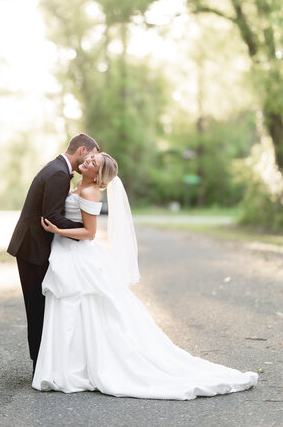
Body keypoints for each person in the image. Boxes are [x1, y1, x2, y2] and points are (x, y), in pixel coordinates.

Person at [33, 152, 258, 399]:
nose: (87, 161)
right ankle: (67, 365)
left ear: (97, 175)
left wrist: (58, 230)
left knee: (85, 307)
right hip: (66, 254)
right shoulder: (78, 185)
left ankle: (77, 368)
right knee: (70, 309)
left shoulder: (90, 192)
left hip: (78, 254)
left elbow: (90, 232)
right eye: (90, 158)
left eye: (93, 163)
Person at [7, 133, 100, 373]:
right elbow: (52, 217)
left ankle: (46, 362)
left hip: (33, 245)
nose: (90, 162)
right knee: (37, 306)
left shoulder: (57, 168)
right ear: (81, 151)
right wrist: (85, 231)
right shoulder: (59, 173)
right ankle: (40, 365)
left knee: (44, 305)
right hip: (33, 248)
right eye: (90, 157)